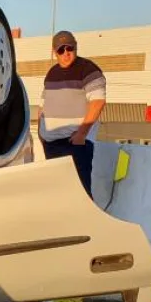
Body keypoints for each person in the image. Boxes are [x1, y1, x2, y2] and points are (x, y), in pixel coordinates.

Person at [38, 31, 107, 196]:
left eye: (70, 48)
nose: (66, 53)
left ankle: (85, 222)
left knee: (80, 193)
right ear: (55, 52)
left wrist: (81, 135)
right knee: (58, 193)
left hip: (75, 143)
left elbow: (97, 102)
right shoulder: (52, 73)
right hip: (52, 145)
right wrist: (42, 133)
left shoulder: (88, 70)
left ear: (76, 47)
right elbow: (43, 104)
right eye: (61, 50)